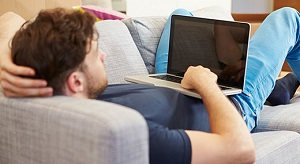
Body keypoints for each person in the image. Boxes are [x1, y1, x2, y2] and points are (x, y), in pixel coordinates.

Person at [1, 7, 300, 163]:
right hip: (228, 108)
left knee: (180, 15)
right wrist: (207, 84)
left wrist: (5, 51)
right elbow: (240, 150)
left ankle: (274, 88)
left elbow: (10, 17)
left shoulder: (51, 95)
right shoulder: (128, 134)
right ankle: (263, 89)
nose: (104, 55)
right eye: (95, 53)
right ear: (75, 80)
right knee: (288, 19)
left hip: (175, 85)